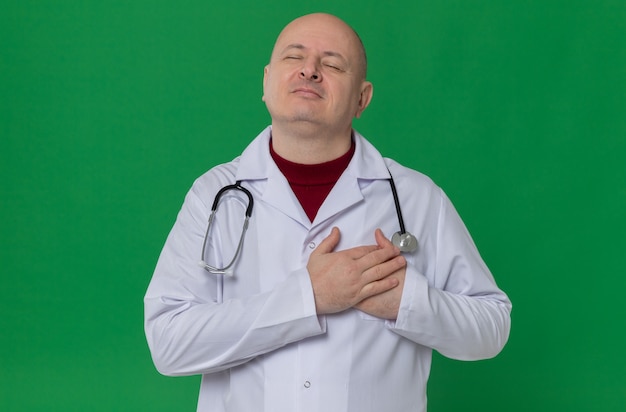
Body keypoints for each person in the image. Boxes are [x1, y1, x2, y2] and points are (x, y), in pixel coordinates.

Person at [144, 12, 511, 412]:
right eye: (293, 58)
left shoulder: (417, 198)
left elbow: (491, 329)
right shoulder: (215, 194)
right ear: (266, 82)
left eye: (333, 64)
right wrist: (310, 296)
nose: (310, 71)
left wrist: (406, 301)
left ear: (362, 98)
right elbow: (168, 343)